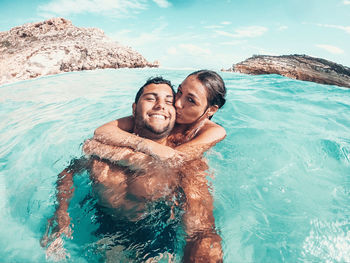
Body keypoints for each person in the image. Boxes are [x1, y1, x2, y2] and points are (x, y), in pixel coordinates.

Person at [41, 74, 226, 262]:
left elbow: (175, 162)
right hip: (104, 225)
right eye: (178, 93)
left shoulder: (202, 139)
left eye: (190, 100)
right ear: (134, 109)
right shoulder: (142, 125)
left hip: (155, 231)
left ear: (210, 109)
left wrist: (117, 154)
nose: (176, 104)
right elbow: (93, 143)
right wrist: (61, 211)